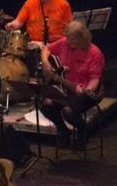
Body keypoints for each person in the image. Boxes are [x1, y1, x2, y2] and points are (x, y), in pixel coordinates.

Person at [39, 19, 105, 147]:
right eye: (68, 39)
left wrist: (87, 90)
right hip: (68, 89)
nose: (69, 42)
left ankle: (82, 130)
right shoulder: (65, 43)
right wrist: (46, 63)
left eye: (73, 40)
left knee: (68, 111)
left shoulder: (94, 53)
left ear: (83, 37)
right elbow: (46, 49)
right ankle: (64, 131)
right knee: (46, 104)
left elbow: (95, 79)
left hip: (88, 92)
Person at [6, 0, 73, 45]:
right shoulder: (29, 3)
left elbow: (69, 28)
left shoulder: (64, 4)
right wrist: (12, 25)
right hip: (33, 44)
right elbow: (19, 22)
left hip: (56, 44)